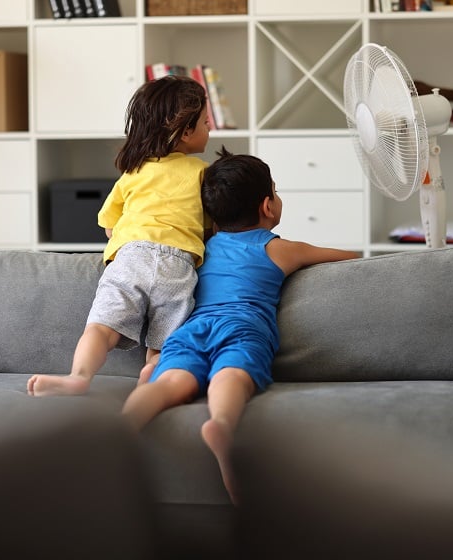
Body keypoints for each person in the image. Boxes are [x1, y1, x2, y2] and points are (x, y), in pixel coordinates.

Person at [121, 147, 359, 503]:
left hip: (192, 329)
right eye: (275, 191)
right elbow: (350, 259)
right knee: (230, 374)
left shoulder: (202, 247)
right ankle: (222, 425)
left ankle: (120, 430)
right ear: (267, 206)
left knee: (173, 380)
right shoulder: (281, 249)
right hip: (243, 327)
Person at [28, 75, 211, 397]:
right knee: (166, 342)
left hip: (130, 258)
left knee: (100, 329)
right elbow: (212, 226)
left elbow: (109, 225)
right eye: (206, 123)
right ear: (185, 132)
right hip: (177, 263)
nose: (210, 129)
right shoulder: (201, 172)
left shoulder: (134, 172)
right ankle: (151, 382)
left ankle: (79, 378)